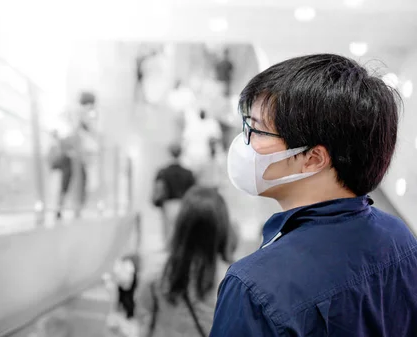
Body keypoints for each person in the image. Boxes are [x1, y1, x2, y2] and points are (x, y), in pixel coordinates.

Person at [210, 54, 417, 336]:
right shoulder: (400, 238)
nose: (243, 141)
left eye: (256, 130)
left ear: (313, 159)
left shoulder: (255, 287)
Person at [138, 186, 234, 337]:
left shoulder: (156, 269)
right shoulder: (230, 281)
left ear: (181, 223)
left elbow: (144, 322)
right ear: (221, 228)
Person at [54, 91, 97, 219]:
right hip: (73, 156)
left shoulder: (73, 112)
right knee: (78, 183)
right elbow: (82, 131)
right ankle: (73, 209)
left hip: (73, 156)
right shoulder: (79, 113)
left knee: (67, 184)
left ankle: (62, 208)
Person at [152, 143, 195, 244]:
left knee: (168, 232)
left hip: (168, 204)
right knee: (181, 231)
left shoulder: (163, 172)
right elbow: (193, 190)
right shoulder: (188, 172)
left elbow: (158, 188)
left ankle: (169, 253)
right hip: (183, 204)